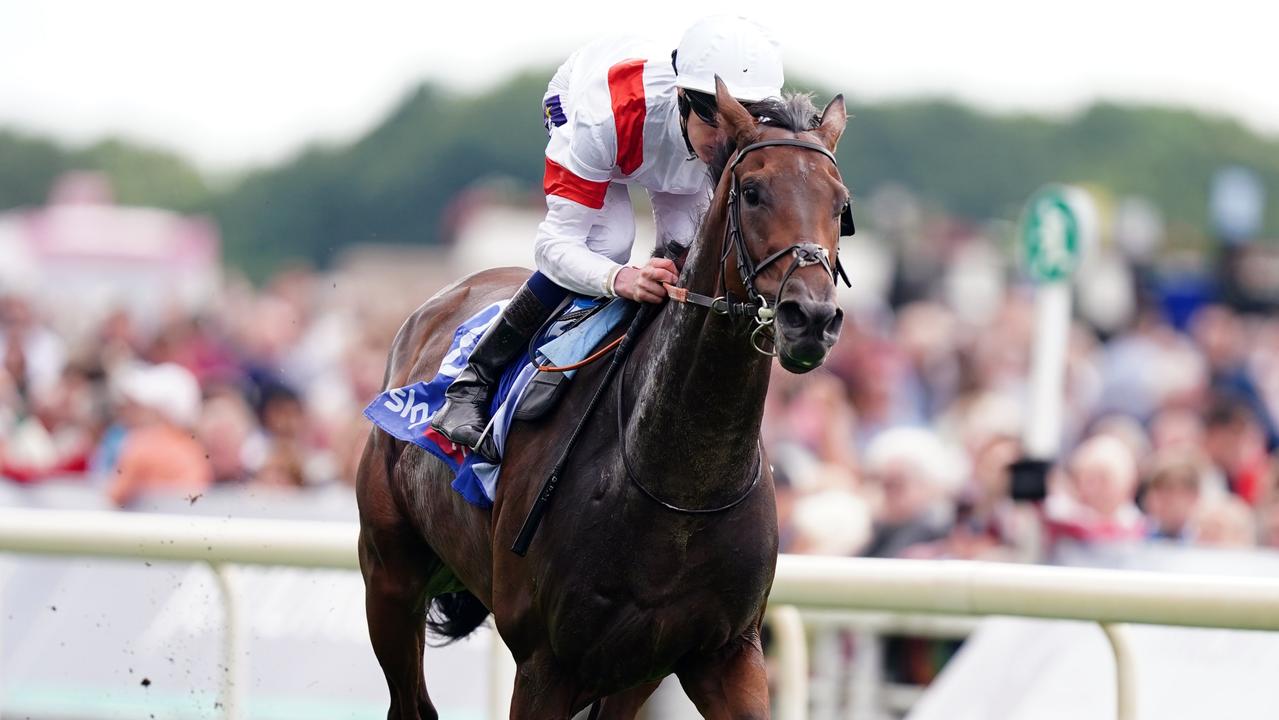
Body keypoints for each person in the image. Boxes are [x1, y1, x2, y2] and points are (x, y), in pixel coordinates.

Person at [431, 16, 786, 459]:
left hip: (657, 133)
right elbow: (554, 247)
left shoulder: (745, 132)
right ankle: (475, 380)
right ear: (681, 97)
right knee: (610, 242)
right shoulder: (604, 117)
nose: (721, 141)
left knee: (689, 247)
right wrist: (622, 278)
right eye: (710, 122)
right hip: (582, 103)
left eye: (736, 124)